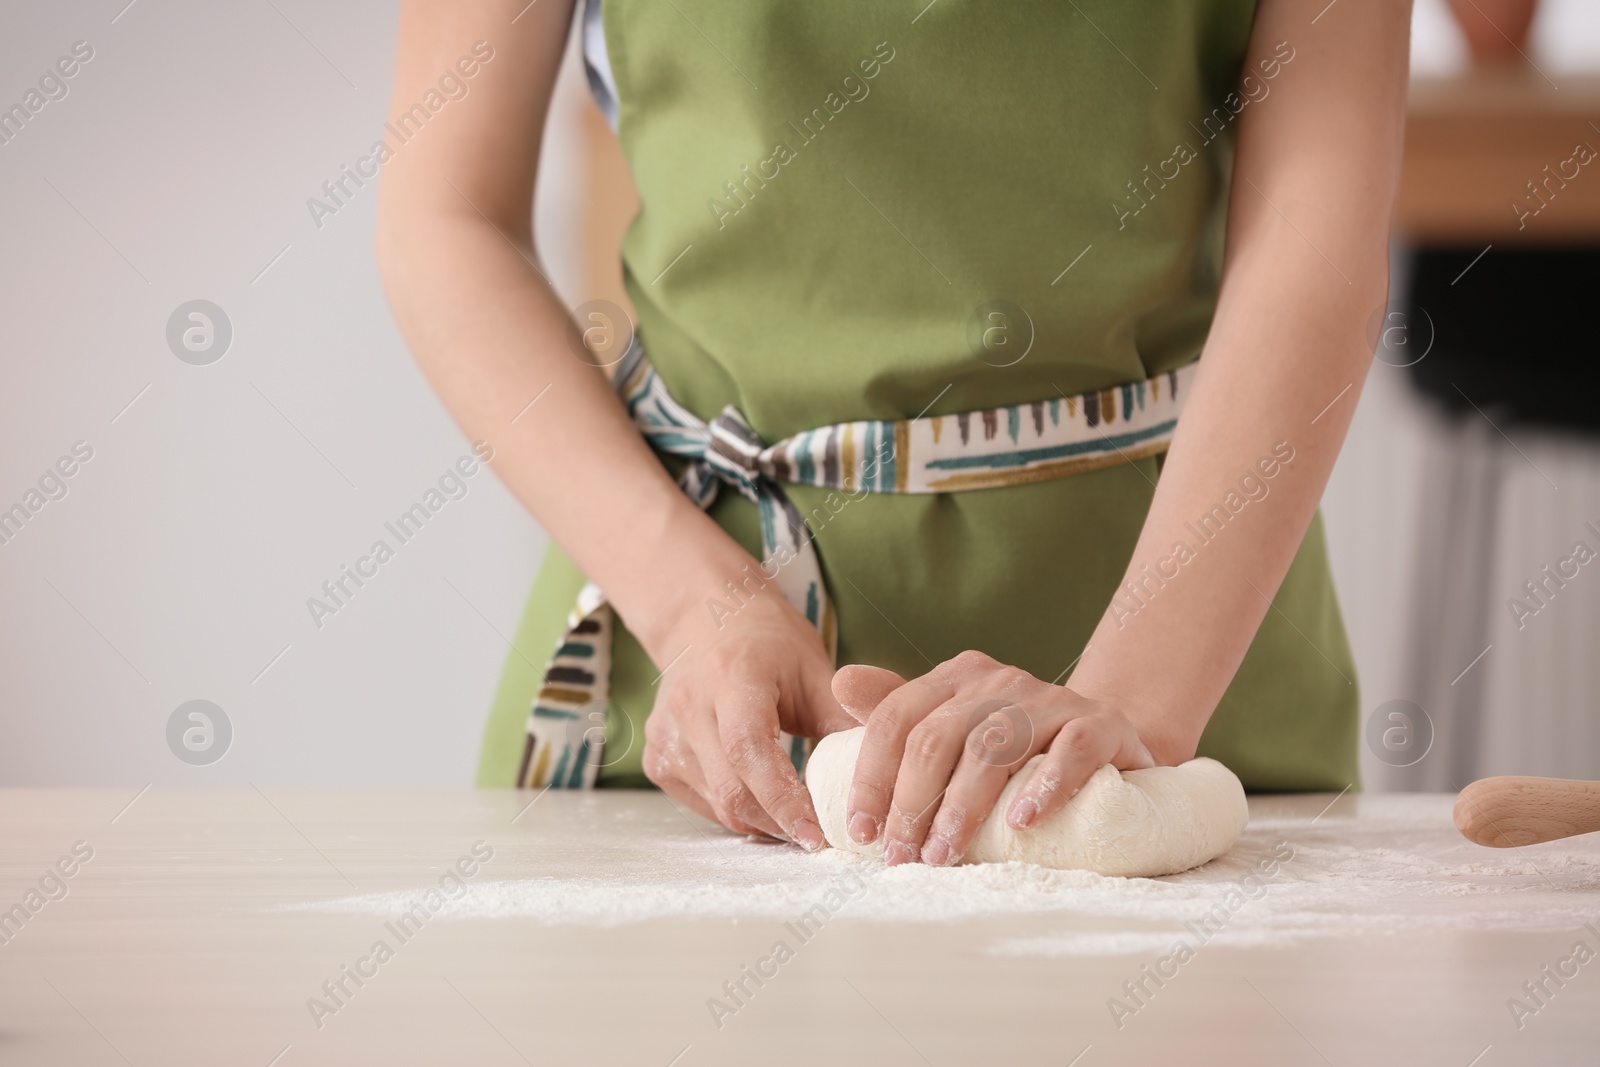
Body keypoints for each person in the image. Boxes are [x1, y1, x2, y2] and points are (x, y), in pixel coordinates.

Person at [376, 0, 1411, 867]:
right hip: (695, 698)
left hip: (1177, 664)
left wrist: (1135, 697)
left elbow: (1311, 235)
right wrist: (692, 606)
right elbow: (444, 216)